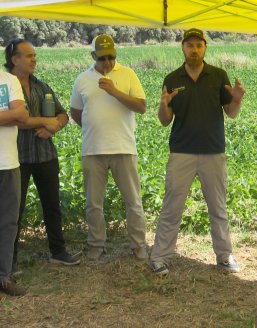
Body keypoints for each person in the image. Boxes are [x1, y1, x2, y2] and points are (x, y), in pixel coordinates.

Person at [150, 28, 246, 275]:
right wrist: (163, 106)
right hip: (181, 152)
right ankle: (160, 256)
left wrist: (236, 99)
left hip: (213, 152)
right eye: (190, 45)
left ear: (205, 48)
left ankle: (224, 256)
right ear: (182, 48)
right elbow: (164, 120)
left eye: (199, 45)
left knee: (218, 207)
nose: (194, 49)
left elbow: (231, 114)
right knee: (172, 206)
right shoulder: (172, 79)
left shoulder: (218, 75)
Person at [70, 34, 147, 261]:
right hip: (93, 150)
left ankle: (138, 245)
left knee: (133, 201)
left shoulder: (128, 74)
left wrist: (114, 91)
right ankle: (96, 245)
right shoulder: (82, 79)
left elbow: (141, 107)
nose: (107, 62)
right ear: (93, 56)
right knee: (93, 204)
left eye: (111, 57)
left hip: (123, 148)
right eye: (102, 58)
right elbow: (76, 113)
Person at [5, 39, 80, 271]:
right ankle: (10, 261)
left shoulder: (42, 86)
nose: (34, 59)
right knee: (13, 211)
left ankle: (58, 251)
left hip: (45, 155)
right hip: (17, 158)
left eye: (35, 55)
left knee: (52, 205)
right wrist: (44, 121)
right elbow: (18, 119)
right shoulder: (5, 86)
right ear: (14, 59)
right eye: (28, 56)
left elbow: (63, 115)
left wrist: (54, 126)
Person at [0, 68, 29, 296]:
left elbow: (21, 116)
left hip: (9, 163)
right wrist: (10, 114)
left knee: (9, 223)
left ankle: (3, 277)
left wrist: (15, 114)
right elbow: (14, 114)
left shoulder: (9, 80)